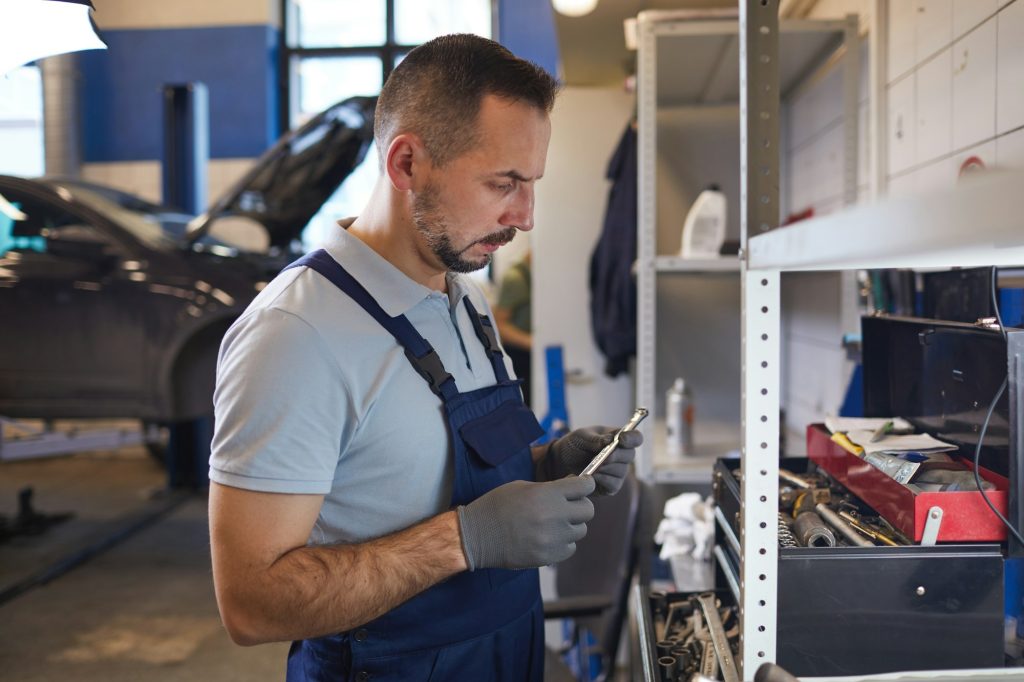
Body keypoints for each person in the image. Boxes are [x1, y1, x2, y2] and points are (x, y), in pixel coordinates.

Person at [207, 34, 642, 682]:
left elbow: (416, 476)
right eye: (504, 182)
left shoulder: (467, 299)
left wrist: (549, 466)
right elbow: (250, 603)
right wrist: (464, 541)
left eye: (532, 185)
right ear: (407, 163)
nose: (525, 216)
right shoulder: (294, 336)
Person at [493, 250, 533, 406]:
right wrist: (532, 342)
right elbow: (500, 324)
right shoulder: (516, 278)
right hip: (519, 354)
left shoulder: (535, 276)